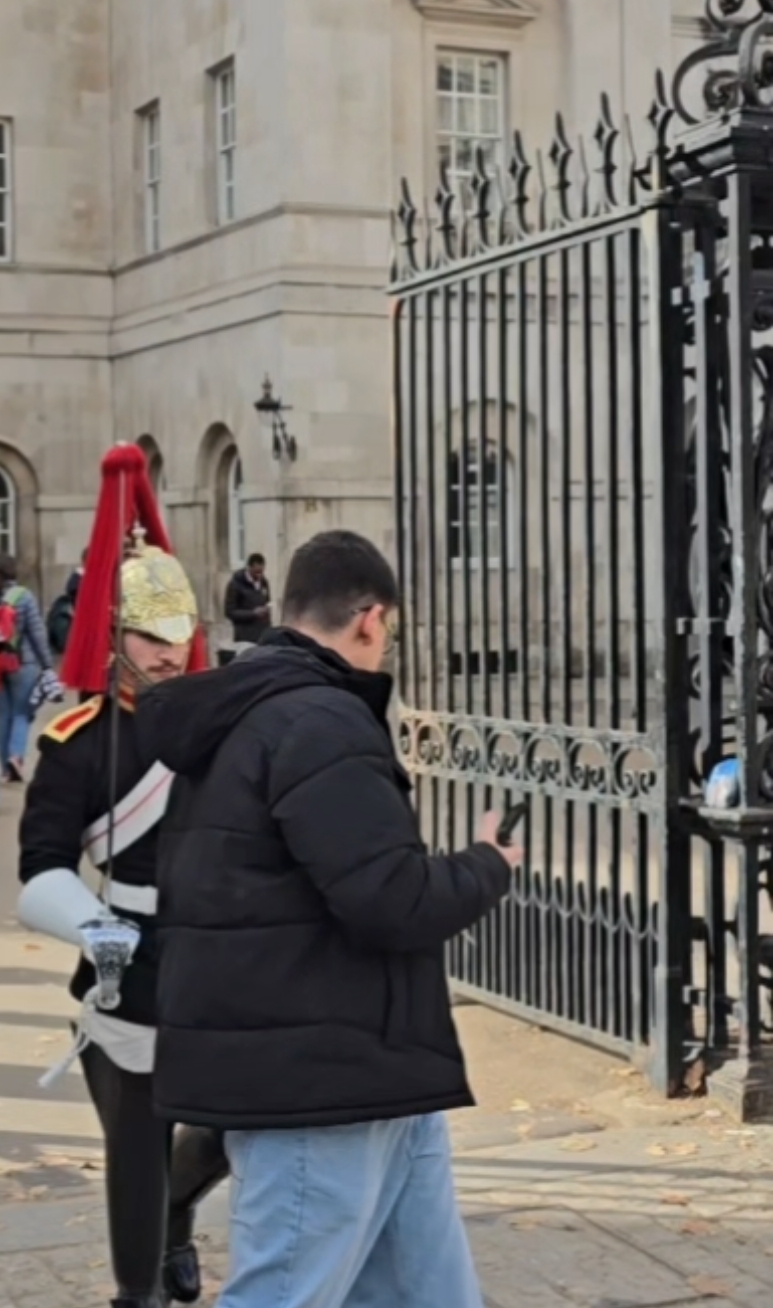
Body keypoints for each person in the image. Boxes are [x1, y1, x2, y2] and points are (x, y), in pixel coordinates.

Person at [143, 530, 522, 1308]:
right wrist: (488, 864)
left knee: (427, 1294)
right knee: (284, 1293)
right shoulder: (318, 720)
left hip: (370, 1064)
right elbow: (391, 897)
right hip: (317, 1076)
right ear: (369, 619)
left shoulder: (251, 711)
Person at [17, 444, 228, 1308]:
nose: (171, 653)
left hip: (221, 954)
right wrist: (94, 929)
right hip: (126, 957)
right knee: (134, 1158)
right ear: (112, 631)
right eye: (151, 635)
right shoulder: (76, 745)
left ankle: (180, 1213)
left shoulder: (225, 722)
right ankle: (135, 1292)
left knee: (229, 1130)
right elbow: (38, 872)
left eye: (181, 634)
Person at [0, 553, 56, 783]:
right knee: (22, 713)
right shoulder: (24, 597)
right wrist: (47, 664)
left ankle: (4, 768)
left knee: (2, 716)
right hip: (22, 661)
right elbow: (37, 632)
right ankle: (16, 757)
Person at [223, 551, 271, 645]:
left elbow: (267, 602)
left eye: (261, 572)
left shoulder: (264, 583)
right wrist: (253, 613)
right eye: (256, 572)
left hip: (262, 636)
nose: (259, 576)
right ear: (249, 568)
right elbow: (229, 612)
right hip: (245, 637)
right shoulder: (235, 584)